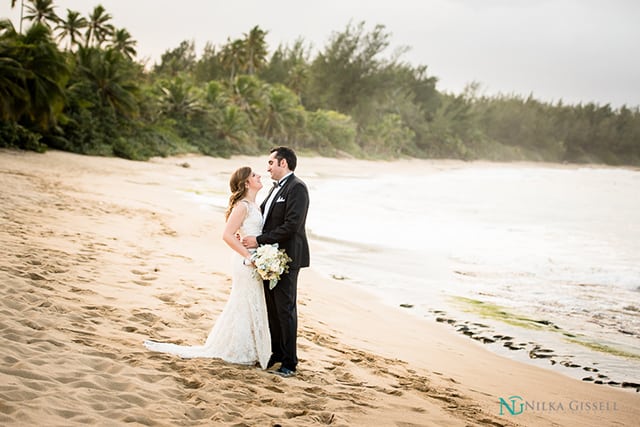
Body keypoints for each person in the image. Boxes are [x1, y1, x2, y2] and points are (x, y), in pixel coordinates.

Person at [143, 167, 271, 369]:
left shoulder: (255, 205)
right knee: (243, 301)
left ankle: (251, 347)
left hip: (254, 258)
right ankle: (239, 348)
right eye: (254, 175)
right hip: (245, 261)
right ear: (246, 183)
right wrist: (248, 257)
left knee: (250, 301)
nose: (259, 176)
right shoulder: (243, 206)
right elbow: (227, 235)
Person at [242, 147, 310, 378]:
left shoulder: (297, 188)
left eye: (270, 162)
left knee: (285, 308)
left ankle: (289, 362)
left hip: (288, 257)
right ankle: (276, 354)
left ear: (283, 163)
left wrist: (259, 239)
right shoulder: (273, 189)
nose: (267, 167)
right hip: (268, 258)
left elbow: (292, 226)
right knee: (271, 307)